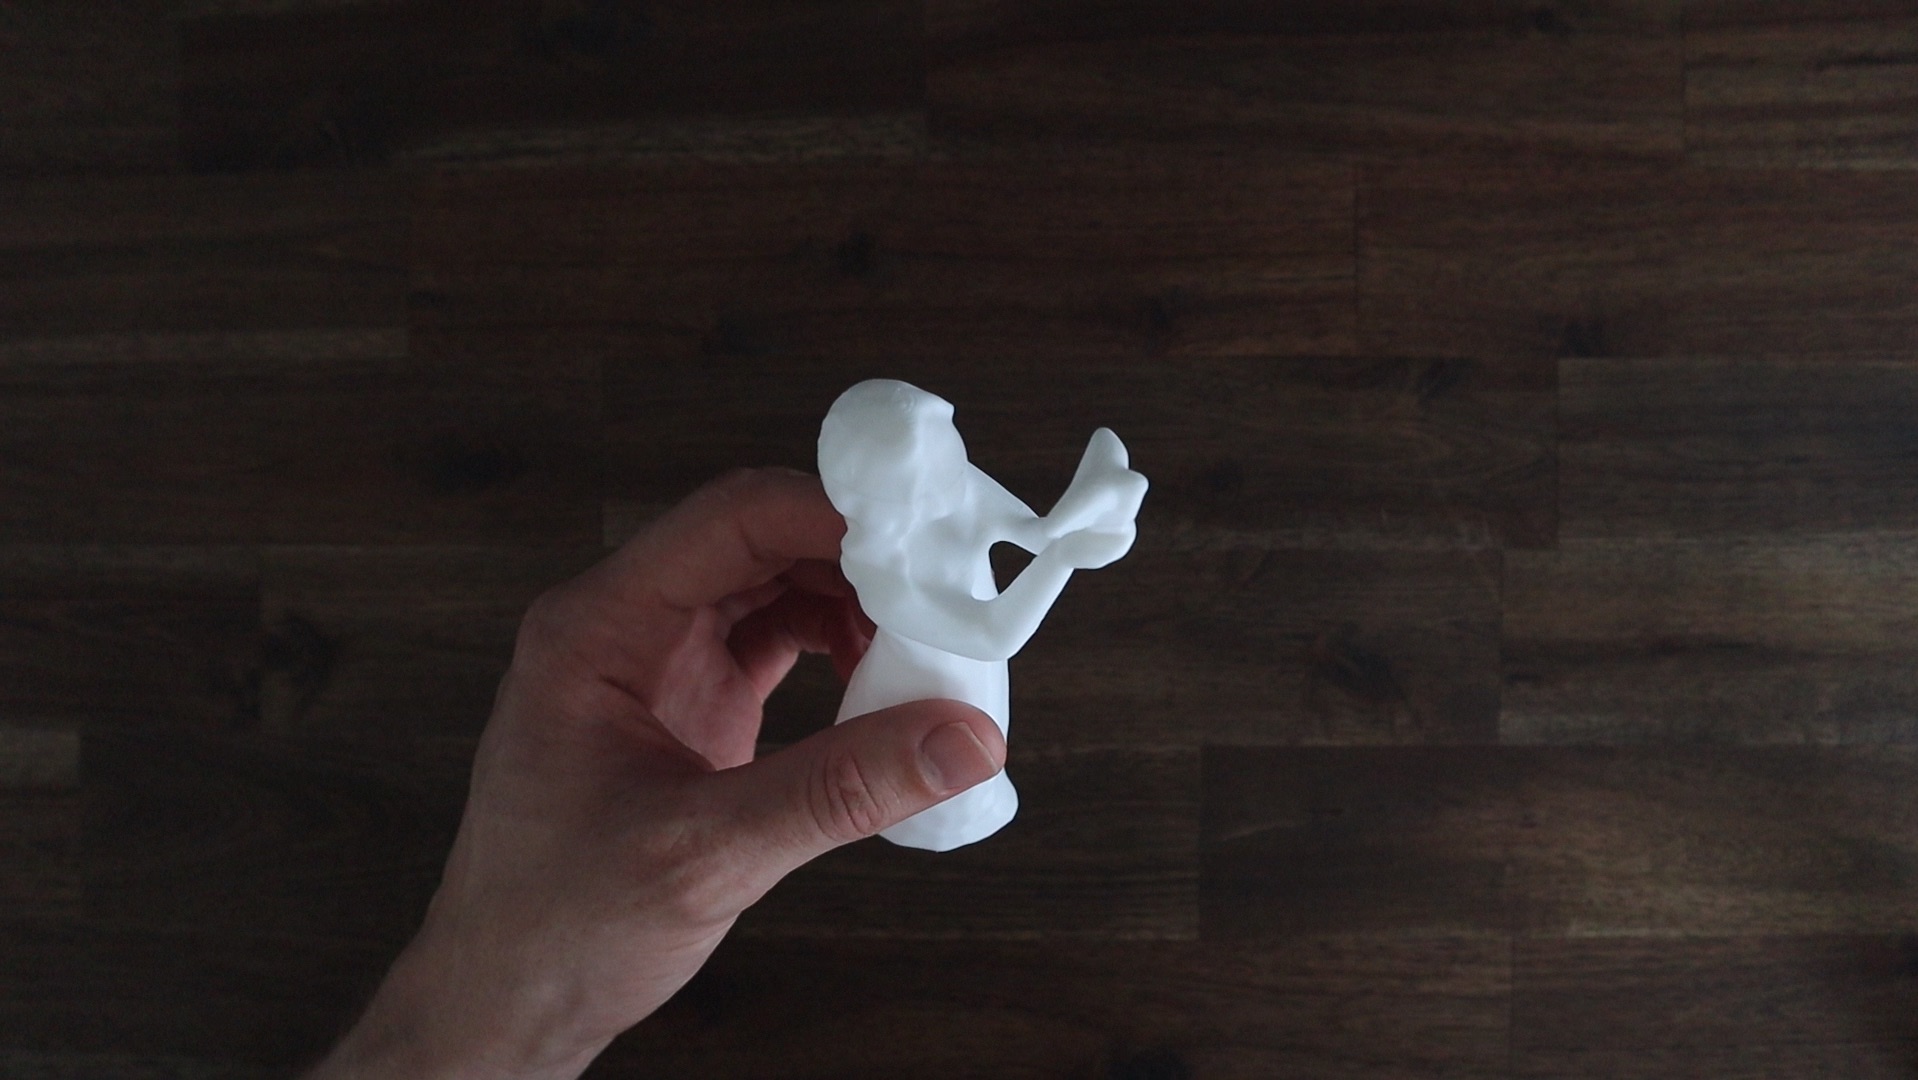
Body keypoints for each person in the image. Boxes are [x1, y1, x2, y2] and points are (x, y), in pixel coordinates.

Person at [306, 468, 1008, 1080]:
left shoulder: (928, 520)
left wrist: (1057, 528)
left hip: (942, 709)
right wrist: (1053, 551)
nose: (937, 456)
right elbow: (997, 627)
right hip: (922, 729)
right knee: (944, 762)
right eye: (917, 448)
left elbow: (1006, 530)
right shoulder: (889, 562)